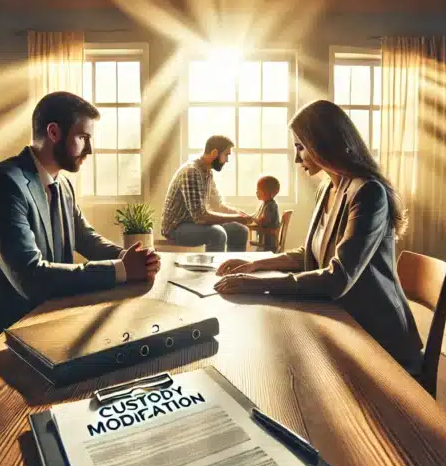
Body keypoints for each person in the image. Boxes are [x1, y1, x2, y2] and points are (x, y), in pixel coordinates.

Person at [213, 100, 423, 374]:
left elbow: (338, 277)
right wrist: (256, 265)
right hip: (341, 320)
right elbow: (310, 254)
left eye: (301, 147)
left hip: (376, 337)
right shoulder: (328, 188)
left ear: (324, 143)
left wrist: (258, 285)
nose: (297, 158)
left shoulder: (368, 193)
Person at [0, 92, 161, 362]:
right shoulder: (0, 185)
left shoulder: (62, 184)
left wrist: (130, 258)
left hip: (47, 321)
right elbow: (31, 277)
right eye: (83, 137)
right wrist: (121, 270)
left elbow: (86, 239)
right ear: (54, 132)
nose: (89, 150)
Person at [160, 135, 254, 251]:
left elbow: (217, 205)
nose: (227, 160)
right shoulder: (192, 171)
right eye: (226, 155)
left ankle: (233, 267)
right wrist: (236, 217)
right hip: (176, 227)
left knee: (240, 230)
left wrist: (240, 215)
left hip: (193, 222)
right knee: (217, 234)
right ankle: (214, 269)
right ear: (214, 153)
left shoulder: (207, 172)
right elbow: (200, 216)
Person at [251, 174, 282, 252]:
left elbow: (263, 222)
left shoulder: (270, 206)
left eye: (258, 190)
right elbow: (257, 216)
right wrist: (250, 217)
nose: (256, 192)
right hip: (265, 240)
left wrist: (252, 219)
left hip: (268, 243)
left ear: (266, 193)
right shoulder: (265, 204)